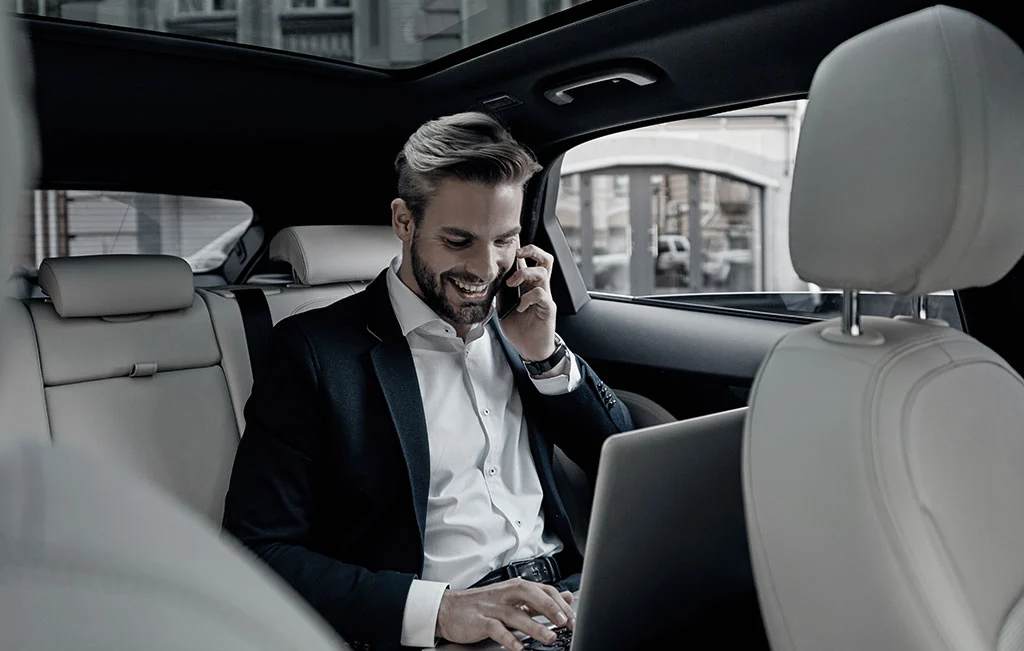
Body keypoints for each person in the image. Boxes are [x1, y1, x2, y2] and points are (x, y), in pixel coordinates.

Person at [222, 111, 634, 651]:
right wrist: (439, 610)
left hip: (573, 601)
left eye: (505, 240)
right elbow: (257, 549)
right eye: (459, 241)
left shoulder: (523, 325)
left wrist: (545, 355)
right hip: (454, 630)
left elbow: (619, 455)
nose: (486, 268)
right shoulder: (315, 352)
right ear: (403, 221)